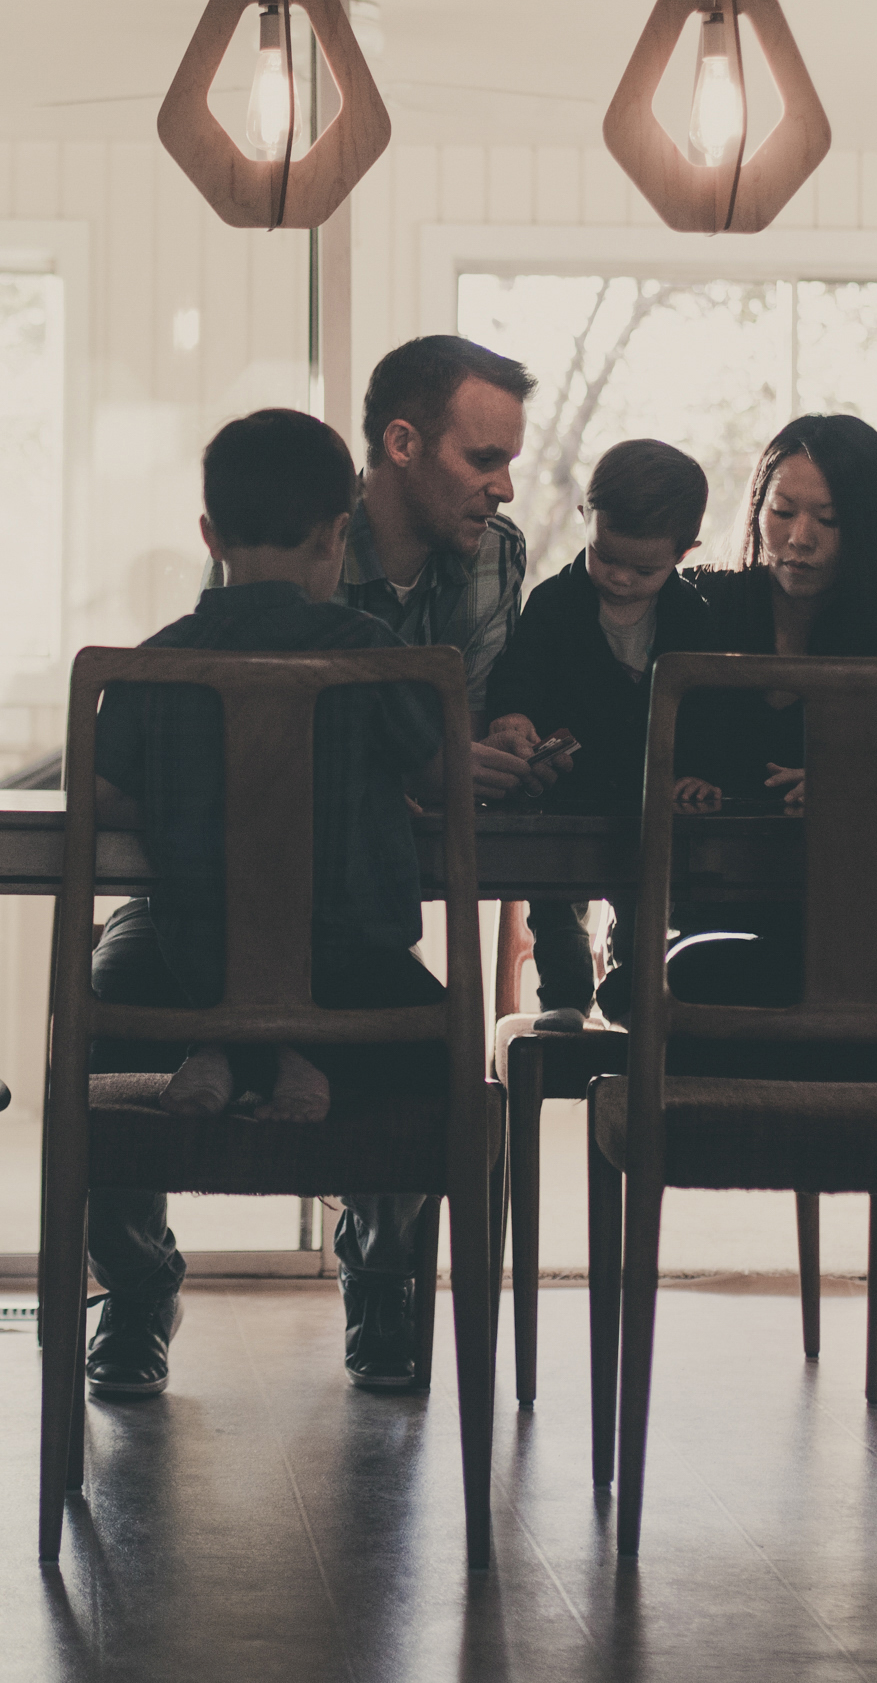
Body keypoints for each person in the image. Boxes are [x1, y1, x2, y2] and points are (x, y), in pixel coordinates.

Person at [84, 408, 449, 1399]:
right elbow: (441, 780)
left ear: (208, 535)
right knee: (442, 1041)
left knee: (96, 1006)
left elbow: (106, 800)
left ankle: (136, 1279)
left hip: (180, 973)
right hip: (352, 985)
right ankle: (377, 1263)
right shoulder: (378, 657)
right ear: (340, 532)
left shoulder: (153, 663)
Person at [647, 413, 877, 1405]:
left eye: (827, 519)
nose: (796, 536)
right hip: (719, 925)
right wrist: (674, 780)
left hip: (836, 927)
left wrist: (850, 778)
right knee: (657, 983)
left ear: (868, 528)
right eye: (780, 509)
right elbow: (645, 734)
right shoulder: (704, 604)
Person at [326, 334, 570, 1381]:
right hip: (259, 877)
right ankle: (140, 1287)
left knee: (428, 1018)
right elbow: (271, 727)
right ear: (400, 443)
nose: (504, 487)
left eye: (509, 461)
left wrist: (502, 739)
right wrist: (429, 757)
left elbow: (457, 715)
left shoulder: (495, 555)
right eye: (483, 461)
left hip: (387, 881)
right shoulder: (297, 535)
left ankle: (384, 1265)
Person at [484, 439, 721, 1029]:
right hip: (563, 794)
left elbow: (713, 707)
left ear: (685, 552)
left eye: (645, 569)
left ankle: (628, 994)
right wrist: (516, 723)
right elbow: (519, 676)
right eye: (605, 557)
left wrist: (698, 771)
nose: (619, 578)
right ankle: (564, 999)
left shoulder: (694, 618)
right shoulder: (554, 604)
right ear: (585, 520)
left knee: (644, 908)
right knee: (554, 905)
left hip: (649, 800)